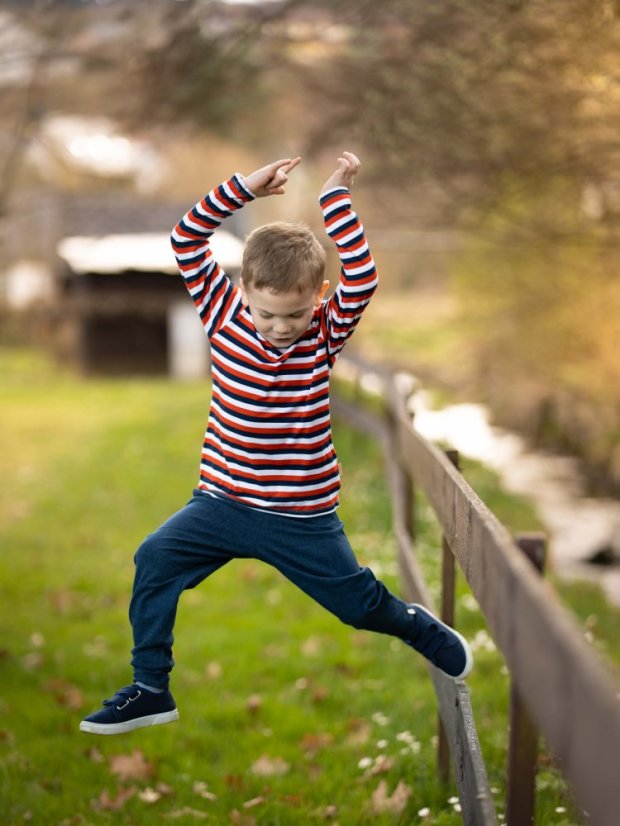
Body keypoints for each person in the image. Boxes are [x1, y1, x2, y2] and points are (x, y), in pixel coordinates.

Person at [80, 152, 473, 736]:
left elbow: (362, 277)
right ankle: (150, 688)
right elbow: (188, 237)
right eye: (267, 314)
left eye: (294, 314)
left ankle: (416, 626)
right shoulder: (223, 314)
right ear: (244, 291)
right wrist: (244, 187)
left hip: (301, 517)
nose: (280, 328)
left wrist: (333, 201)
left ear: (318, 295)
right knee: (154, 560)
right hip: (220, 503)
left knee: (359, 607)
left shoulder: (324, 333)